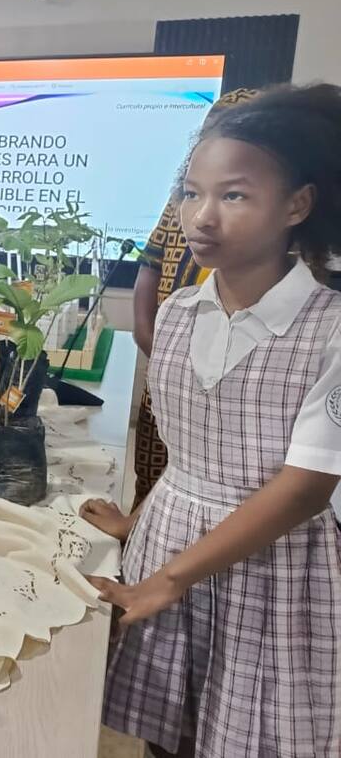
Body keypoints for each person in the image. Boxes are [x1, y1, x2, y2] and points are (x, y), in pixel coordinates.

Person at [87, 83, 341, 758]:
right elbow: (195, 447)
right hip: (168, 542)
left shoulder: (330, 329)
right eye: (189, 191)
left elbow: (305, 488)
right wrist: (142, 516)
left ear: (298, 205)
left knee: (247, 733)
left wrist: (166, 578)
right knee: (168, 736)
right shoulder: (176, 315)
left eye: (233, 195)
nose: (201, 216)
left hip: (269, 571)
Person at [116, 88, 260, 518]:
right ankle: (139, 536)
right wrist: (153, 340)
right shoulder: (182, 200)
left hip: (231, 401)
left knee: (213, 492)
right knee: (154, 476)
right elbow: (150, 265)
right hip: (163, 371)